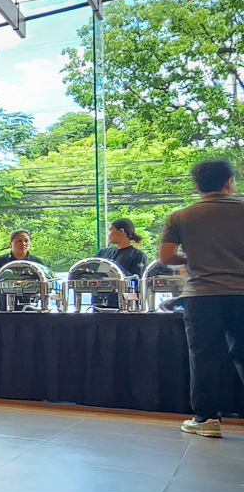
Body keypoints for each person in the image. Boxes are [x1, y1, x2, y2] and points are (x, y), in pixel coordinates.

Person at [159, 159, 244, 438]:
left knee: (205, 357)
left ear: (197, 186)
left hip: (202, 295)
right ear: (229, 182)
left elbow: (166, 257)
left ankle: (207, 419)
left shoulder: (180, 216)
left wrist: (192, 257)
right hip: (242, 294)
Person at [94, 217, 147, 309]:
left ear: (121, 231)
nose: (108, 234)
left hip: (124, 306)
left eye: (110, 230)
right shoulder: (102, 253)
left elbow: (137, 280)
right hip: (99, 304)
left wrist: (115, 270)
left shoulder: (137, 255)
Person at [0, 229, 47, 311]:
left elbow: (45, 283)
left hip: (31, 307)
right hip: (3, 308)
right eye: (19, 241)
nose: (23, 244)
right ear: (10, 244)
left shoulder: (37, 263)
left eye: (26, 241)